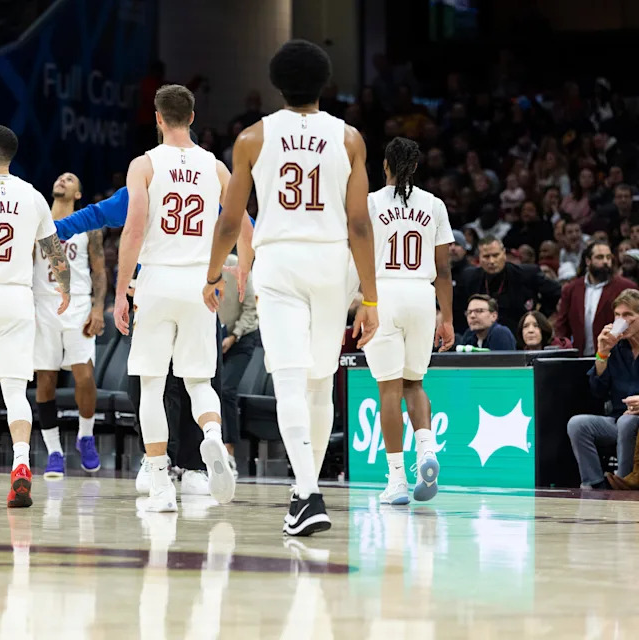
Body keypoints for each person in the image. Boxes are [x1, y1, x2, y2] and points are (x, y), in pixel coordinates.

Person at [203, 40, 379, 536]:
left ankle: (309, 492)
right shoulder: (350, 138)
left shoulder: (252, 138)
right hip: (332, 260)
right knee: (319, 381)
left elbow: (230, 220)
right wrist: (370, 297)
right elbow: (361, 225)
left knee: (289, 379)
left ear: (276, 85)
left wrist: (214, 274)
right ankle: (304, 492)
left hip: (279, 260)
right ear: (325, 83)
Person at [114, 83, 237, 514]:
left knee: (151, 385)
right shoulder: (217, 168)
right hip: (200, 284)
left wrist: (120, 292)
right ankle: (210, 438)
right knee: (200, 382)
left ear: (158, 117)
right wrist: (227, 273)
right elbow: (239, 225)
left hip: (158, 281)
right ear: (193, 115)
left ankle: (161, 481)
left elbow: (132, 230)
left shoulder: (144, 165)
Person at [0, 124, 69, 508]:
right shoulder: (34, 196)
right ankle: (21, 464)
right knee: (16, 390)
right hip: (17, 299)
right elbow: (53, 250)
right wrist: (65, 288)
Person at [361, 137, 455, 506]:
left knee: (388, 389)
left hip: (383, 293)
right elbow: (444, 269)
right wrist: (445, 317)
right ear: (415, 167)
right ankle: (427, 450)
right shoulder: (434, 204)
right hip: (421, 294)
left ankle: (397, 480)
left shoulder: (370, 203)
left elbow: (358, 257)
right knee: (414, 384)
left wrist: (359, 303)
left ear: (385, 165)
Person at [34, 172, 105, 478]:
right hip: (43, 305)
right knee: (46, 381)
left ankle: (85, 436)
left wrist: (99, 306)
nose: (62, 179)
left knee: (84, 375)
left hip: (78, 305)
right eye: (60, 177)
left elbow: (100, 271)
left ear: (78, 193)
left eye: (71, 179)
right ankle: (53, 451)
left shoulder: (89, 225)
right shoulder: (37, 222)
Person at [567, 290, 639, 490]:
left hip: (634, 421)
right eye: (617, 315)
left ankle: (623, 484)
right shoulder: (616, 348)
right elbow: (597, 390)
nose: (621, 320)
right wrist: (602, 353)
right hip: (618, 419)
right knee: (578, 424)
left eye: (627, 315)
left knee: (627, 421)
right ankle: (594, 484)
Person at [454, 236, 561, 335]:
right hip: (481, 338)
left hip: (519, 338)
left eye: (496, 255)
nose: (492, 261)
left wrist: (539, 318)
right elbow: (457, 308)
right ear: (479, 259)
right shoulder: (468, 277)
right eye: (486, 256)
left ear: (504, 254)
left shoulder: (527, 274)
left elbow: (556, 292)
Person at [554, 241, 635, 356]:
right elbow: (561, 327)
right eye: (600, 257)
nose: (606, 261)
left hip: (616, 357)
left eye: (608, 257)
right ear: (588, 261)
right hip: (580, 357)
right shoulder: (571, 289)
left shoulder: (626, 287)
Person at [216, 252, 258, 470]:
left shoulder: (235, 265)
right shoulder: (197, 266)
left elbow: (252, 308)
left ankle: (229, 452)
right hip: (212, 338)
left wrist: (234, 336)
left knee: (226, 389)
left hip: (241, 337)